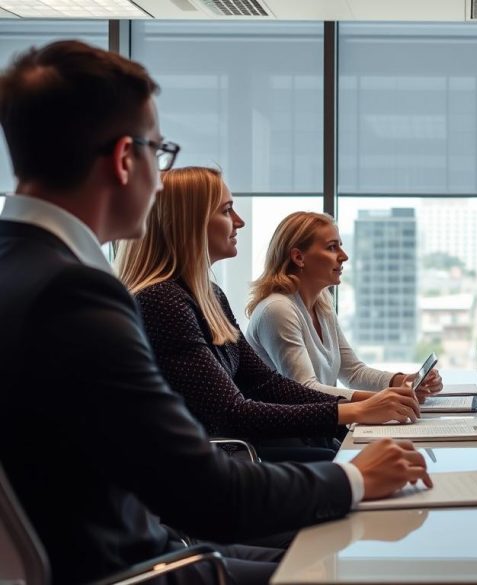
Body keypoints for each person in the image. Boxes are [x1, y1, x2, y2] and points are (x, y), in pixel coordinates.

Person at [0, 40, 430, 584]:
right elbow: (208, 493)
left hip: (122, 553)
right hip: (135, 568)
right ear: (125, 159)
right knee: (347, 569)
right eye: (160, 154)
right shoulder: (76, 296)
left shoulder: (19, 269)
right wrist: (355, 479)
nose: (159, 181)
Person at [116, 167, 424, 462]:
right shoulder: (162, 301)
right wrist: (356, 410)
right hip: (218, 468)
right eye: (226, 211)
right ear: (188, 223)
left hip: (235, 457)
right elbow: (232, 412)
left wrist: (366, 403)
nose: (239, 222)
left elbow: (267, 384)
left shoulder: (210, 296)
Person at [246, 211, 442, 399]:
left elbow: (353, 372)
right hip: (285, 434)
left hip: (316, 429)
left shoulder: (322, 305)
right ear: (298, 257)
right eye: (332, 247)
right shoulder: (277, 310)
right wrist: (388, 398)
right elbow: (305, 389)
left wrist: (405, 382)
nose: (344, 256)